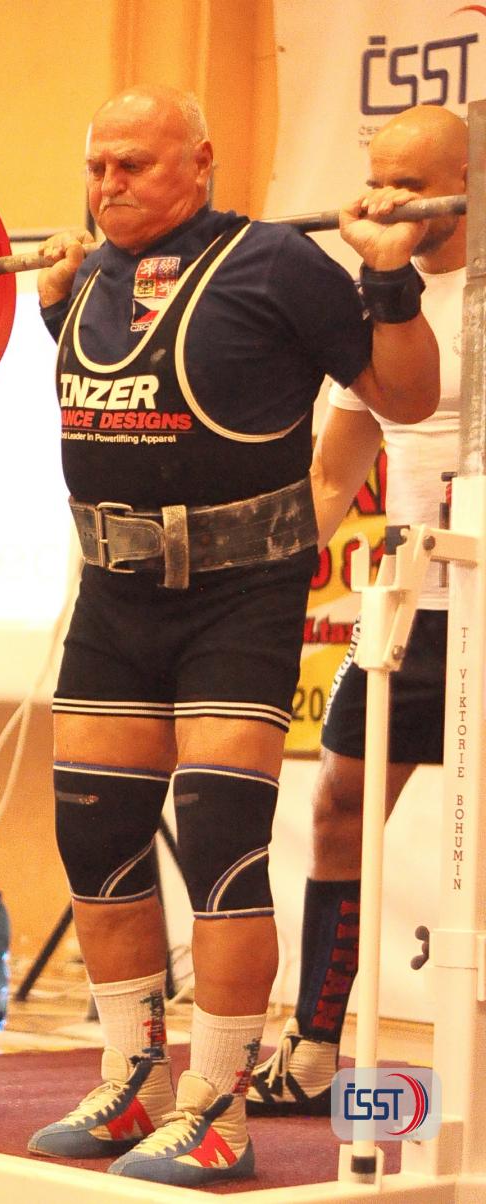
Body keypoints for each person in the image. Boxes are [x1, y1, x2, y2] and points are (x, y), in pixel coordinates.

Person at [24, 84, 439, 1188]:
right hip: (113, 592)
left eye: (135, 164)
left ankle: (217, 1104)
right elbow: (113, 405)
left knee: (221, 846)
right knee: (97, 840)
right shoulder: (90, 276)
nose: (109, 184)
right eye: (97, 166)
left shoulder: (276, 262)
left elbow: (403, 397)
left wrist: (390, 279)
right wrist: (51, 307)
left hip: (236, 593)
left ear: (201, 161)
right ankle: (131, 1077)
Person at [247, 104, 467, 1118]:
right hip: (413, 603)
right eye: (375, 179)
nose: (382, 201)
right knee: (337, 806)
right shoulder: (376, 307)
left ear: (465, 184)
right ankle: (312, 1046)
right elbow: (332, 478)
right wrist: (257, 575)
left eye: (406, 184)